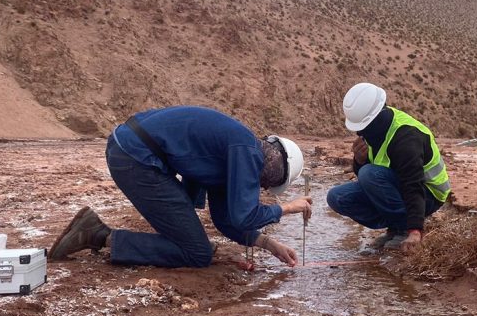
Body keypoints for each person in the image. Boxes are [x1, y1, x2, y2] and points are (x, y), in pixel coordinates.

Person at [50, 106, 310, 268]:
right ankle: (97, 235)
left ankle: (98, 233)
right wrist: (287, 208)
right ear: (276, 164)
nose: (263, 186)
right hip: (136, 158)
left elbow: (226, 220)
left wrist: (268, 244)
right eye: (270, 183)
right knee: (198, 254)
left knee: (196, 244)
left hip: (131, 151)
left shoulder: (234, 156)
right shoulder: (247, 150)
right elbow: (245, 215)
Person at [326, 83, 451, 253]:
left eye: (363, 127)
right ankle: (395, 226)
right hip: (397, 187)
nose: (360, 133)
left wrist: (415, 230)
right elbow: (377, 174)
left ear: (376, 117)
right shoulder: (373, 130)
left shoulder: (406, 137)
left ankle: (403, 228)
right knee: (337, 197)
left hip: (428, 194)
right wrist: (360, 161)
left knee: (368, 174)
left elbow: (412, 184)